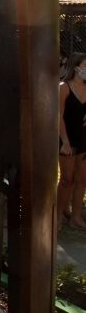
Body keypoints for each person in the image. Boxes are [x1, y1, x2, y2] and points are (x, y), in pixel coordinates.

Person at [58, 53, 86, 229]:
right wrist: (66, 142)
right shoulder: (64, 87)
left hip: (84, 139)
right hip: (66, 138)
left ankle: (76, 217)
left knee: (82, 179)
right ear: (76, 67)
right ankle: (58, 215)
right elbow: (58, 116)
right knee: (67, 179)